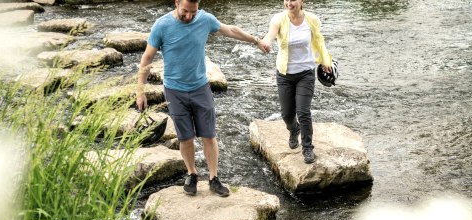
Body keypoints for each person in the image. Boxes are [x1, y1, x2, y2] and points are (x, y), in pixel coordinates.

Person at [136, 0, 269, 197]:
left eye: (193, 12)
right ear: (176, 3)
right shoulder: (161, 25)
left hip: (200, 87)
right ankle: (192, 174)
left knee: (209, 135)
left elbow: (231, 30)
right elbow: (147, 58)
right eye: (185, 12)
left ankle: (214, 178)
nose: (189, 16)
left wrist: (256, 41)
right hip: (174, 90)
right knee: (185, 137)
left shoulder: (205, 19)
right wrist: (140, 91)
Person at [259, 0, 332, 164]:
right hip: (284, 75)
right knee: (286, 114)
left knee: (303, 112)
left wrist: (325, 60)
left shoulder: (312, 19)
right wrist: (266, 42)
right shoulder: (278, 19)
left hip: (306, 73)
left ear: (302, 1)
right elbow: (270, 35)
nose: (289, 3)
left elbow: (319, 41)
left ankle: (307, 148)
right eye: (286, 0)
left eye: (293, 0)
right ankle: (294, 129)